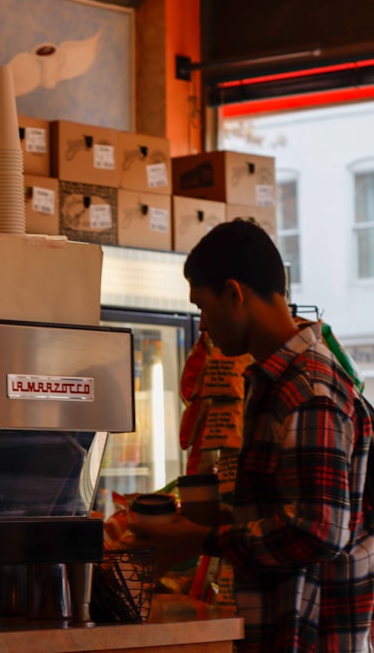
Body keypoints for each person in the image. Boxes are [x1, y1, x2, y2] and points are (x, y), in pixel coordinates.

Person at [127, 219, 374, 652]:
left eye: (203, 305)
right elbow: (291, 510)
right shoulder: (276, 381)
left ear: (235, 293)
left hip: (314, 637)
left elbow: (318, 531)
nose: (202, 325)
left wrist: (203, 539)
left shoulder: (308, 390)